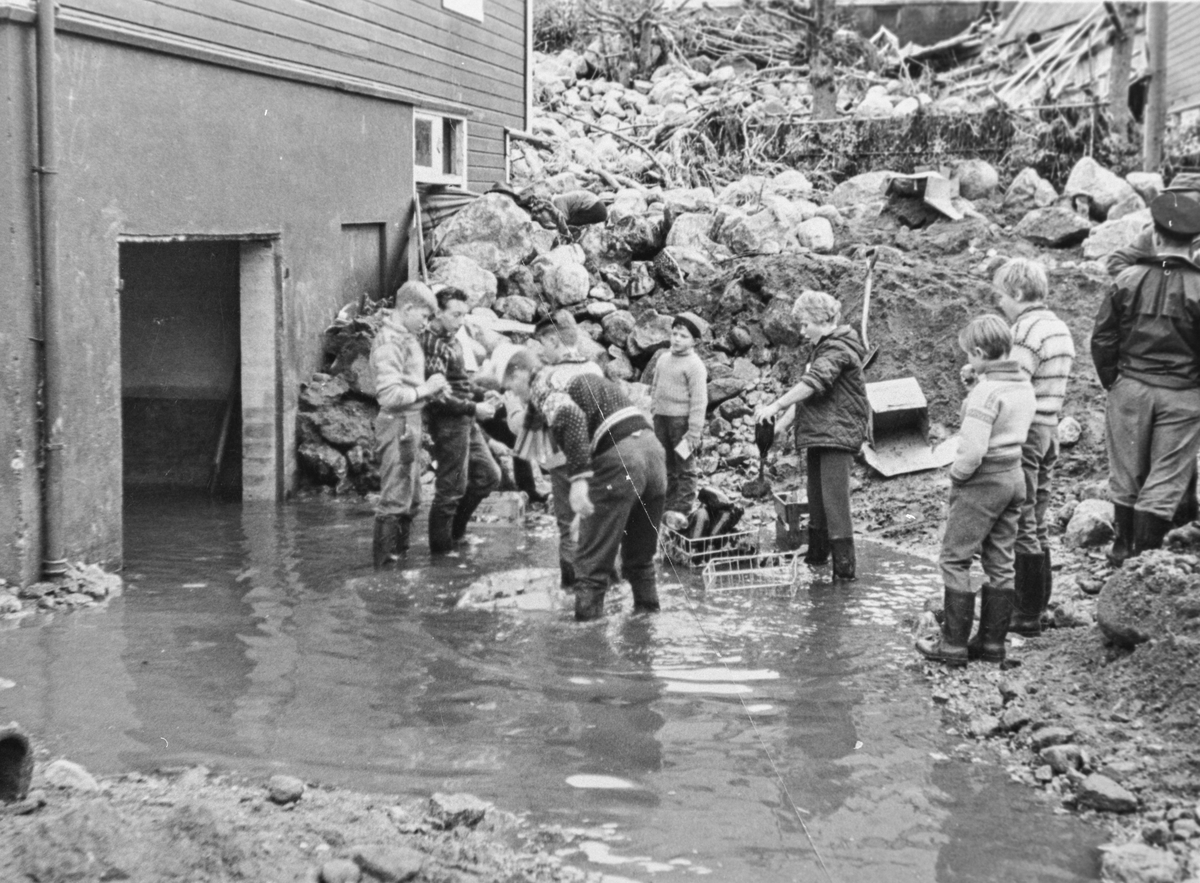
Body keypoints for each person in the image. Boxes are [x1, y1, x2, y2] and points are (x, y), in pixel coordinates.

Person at [501, 347, 666, 621]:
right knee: (640, 561)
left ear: (521, 372)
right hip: (653, 452)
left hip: (622, 457)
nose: (515, 395)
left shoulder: (543, 383)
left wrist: (578, 482)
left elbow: (570, 418)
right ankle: (646, 634)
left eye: (512, 387)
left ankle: (584, 652)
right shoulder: (572, 375)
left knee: (590, 568)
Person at [917, 315, 1035, 667]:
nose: (968, 361)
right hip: (1015, 475)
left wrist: (958, 476)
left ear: (981, 352)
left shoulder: (986, 392)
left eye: (970, 355)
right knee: (1000, 559)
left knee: (955, 557)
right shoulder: (1023, 385)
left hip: (984, 478)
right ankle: (991, 643)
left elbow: (972, 450)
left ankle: (952, 645)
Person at [1091, 183, 1200, 562]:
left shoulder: (1127, 279)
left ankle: (1122, 547)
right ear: (1196, 241)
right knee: (1167, 477)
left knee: (1126, 473)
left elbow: (1102, 338)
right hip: (1183, 394)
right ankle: (1145, 559)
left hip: (1130, 388)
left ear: (1154, 235)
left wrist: (1115, 382)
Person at [982, 259, 1075, 637]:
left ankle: (1025, 613)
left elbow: (1014, 382)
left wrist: (982, 375)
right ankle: (1038, 605)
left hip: (1027, 430)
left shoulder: (1025, 329)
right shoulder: (1058, 326)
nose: (1000, 303)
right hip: (1050, 426)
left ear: (1018, 294)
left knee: (1022, 520)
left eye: (1002, 296)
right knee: (1039, 517)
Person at [754, 291, 869, 581]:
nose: (802, 332)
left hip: (837, 436)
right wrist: (779, 425)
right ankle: (816, 564)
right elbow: (808, 396)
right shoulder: (822, 349)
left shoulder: (838, 349)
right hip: (820, 434)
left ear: (821, 320)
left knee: (835, 506)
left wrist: (776, 404)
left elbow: (814, 383)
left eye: (805, 325)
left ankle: (844, 575)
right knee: (816, 503)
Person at [370, 281, 448, 566]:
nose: (426, 324)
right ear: (407, 308)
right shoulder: (390, 342)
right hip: (398, 423)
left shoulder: (405, 335)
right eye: (424, 316)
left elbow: (409, 382)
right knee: (395, 499)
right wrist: (426, 389)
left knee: (411, 498)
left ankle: (398, 563)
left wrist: (432, 389)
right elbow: (389, 395)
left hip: (410, 421)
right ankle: (386, 575)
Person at [420, 287, 502, 555]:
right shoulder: (432, 343)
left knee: (489, 476)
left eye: (463, 316)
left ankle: (456, 535)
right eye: (455, 315)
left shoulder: (453, 337)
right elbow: (438, 397)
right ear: (438, 312)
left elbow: (459, 381)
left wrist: (481, 393)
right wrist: (475, 408)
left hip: (465, 418)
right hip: (448, 423)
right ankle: (441, 557)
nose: (460, 321)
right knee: (450, 490)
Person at [526, 312, 605, 588]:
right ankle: (607, 586)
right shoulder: (594, 369)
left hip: (564, 462)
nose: (541, 350)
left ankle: (571, 592)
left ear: (553, 340)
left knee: (567, 526)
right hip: (599, 459)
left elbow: (534, 427)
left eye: (542, 344)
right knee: (597, 524)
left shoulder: (550, 375)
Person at [648, 312, 708, 530]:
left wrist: (693, 432)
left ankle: (682, 508)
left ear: (694, 341)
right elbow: (655, 385)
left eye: (683, 336)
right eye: (674, 333)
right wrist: (654, 407)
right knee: (665, 464)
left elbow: (699, 401)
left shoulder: (695, 365)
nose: (677, 339)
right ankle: (667, 505)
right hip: (661, 420)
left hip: (682, 424)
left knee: (685, 465)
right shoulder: (663, 358)